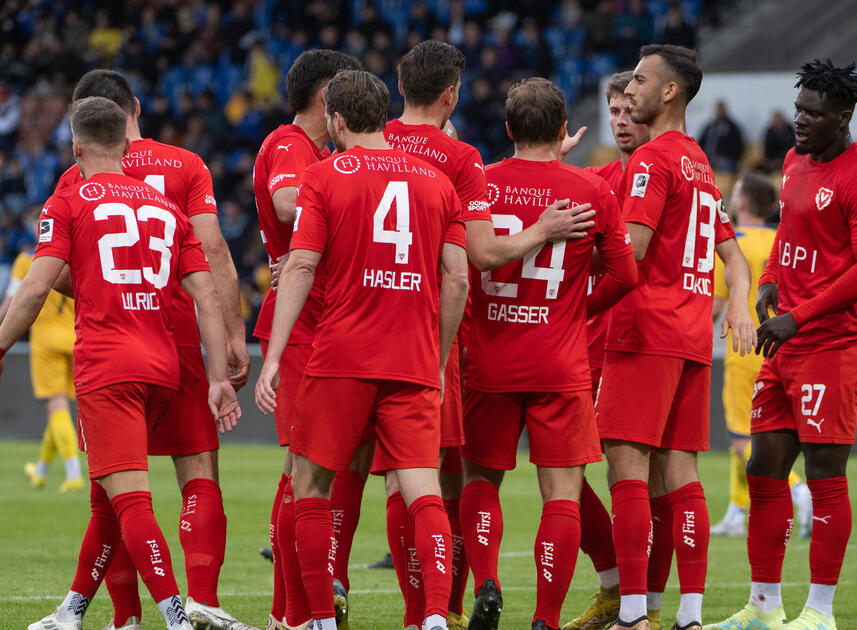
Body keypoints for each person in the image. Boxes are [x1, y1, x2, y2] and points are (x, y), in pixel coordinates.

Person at [0, 96, 240, 630]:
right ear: (127, 141)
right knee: (107, 495)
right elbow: (206, 295)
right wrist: (217, 377)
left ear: (75, 146)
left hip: (107, 368)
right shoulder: (166, 209)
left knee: (132, 503)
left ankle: (174, 616)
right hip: (165, 366)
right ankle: (72, 611)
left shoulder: (69, 201)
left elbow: (34, 289)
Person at [383, 40, 594, 630]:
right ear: (451, 93)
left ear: (401, 87)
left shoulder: (361, 146)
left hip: (379, 330)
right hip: (459, 342)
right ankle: (516, 616)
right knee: (517, 489)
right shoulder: (461, 158)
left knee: (370, 485)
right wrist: (548, 214)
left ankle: (395, 609)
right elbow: (478, 254)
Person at [253, 69, 467, 630]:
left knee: (311, 487)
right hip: (413, 359)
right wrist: (439, 356)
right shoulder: (435, 181)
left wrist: (273, 356)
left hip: (341, 355)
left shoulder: (324, 177)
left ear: (338, 119)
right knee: (424, 491)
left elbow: (300, 264)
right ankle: (436, 619)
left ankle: (319, 619)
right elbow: (459, 281)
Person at [54, 69, 252, 630]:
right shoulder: (185, 165)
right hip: (184, 335)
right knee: (199, 473)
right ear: (135, 107)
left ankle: (127, 617)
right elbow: (212, 249)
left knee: (117, 487)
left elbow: (58, 270)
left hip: (113, 337)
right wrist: (235, 335)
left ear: (84, 125)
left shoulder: (78, 177)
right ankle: (204, 600)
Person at [707, 60, 857, 630]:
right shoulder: (791, 161)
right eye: (798, 110)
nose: (800, 121)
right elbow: (787, 230)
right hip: (788, 339)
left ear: (843, 116)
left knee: (825, 472)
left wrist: (799, 314)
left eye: (813, 113)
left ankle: (821, 611)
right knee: (763, 468)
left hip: (834, 344)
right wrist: (767, 284)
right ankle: (763, 607)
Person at [459, 76, 638, 630]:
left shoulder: (478, 184)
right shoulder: (591, 191)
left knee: (480, 481)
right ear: (564, 130)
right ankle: (546, 618)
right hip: (560, 363)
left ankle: (486, 580)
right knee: (561, 496)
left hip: (487, 360)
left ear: (508, 129)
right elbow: (626, 274)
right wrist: (578, 307)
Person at [596, 45, 757, 630]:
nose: (630, 89)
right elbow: (734, 257)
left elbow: (630, 254)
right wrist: (737, 303)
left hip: (644, 330)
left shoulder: (651, 160)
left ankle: (634, 613)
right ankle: (689, 613)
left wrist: (576, 298)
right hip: (691, 335)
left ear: (668, 92)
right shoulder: (698, 162)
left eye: (639, 79)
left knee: (626, 468)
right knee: (681, 474)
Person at [250, 49, 362, 630]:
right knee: (303, 471)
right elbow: (288, 202)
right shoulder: (292, 146)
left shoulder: (319, 152)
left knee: (313, 471)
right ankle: (289, 615)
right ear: (327, 97)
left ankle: (289, 613)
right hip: (300, 327)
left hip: (326, 324)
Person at [566, 70, 671, 630]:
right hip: (587, 344)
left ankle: (640, 605)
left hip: (638, 343)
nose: (622, 121)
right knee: (563, 467)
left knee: (643, 475)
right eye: (614, 112)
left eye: (630, 111)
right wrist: (547, 163)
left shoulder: (670, 175)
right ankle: (618, 586)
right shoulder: (599, 180)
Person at [709, 173, 813, 540]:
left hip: (744, 347)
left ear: (740, 203)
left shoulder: (730, 243)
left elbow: (717, 306)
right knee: (764, 433)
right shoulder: (783, 241)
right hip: (781, 348)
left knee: (742, 439)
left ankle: (800, 491)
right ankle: (737, 511)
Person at [0, 208, 82, 493]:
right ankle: (40, 471)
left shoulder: (27, 260)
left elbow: (11, 302)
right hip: (77, 340)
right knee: (60, 408)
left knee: (57, 406)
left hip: (46, 342)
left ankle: (74, 472)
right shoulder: (77, 258)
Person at [698, 100, 745, 174]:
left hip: (725, 159)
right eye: (718, 109)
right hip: (707, 158)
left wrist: (721, 157)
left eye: (721, 109)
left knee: (725, 164)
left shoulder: (732, 128)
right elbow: (700, 143)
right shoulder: (710, 127)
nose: (719, 111)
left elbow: (738, 147)